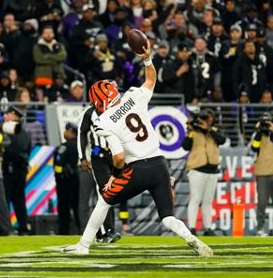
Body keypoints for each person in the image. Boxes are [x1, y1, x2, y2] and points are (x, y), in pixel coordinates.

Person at [62, 40, 213, 257]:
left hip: (137, 168)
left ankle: (83, 245)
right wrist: (147, 58)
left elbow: (119, 157)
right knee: (167, 217)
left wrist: (115, 176)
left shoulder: (103, 121)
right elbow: (151, 79)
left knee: (104, 200)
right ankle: (189, 236)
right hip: (160, 165)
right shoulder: (134, 96)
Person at [77, 103, 122, 242]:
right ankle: (105, 231)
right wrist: (82, 157)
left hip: (115, 154)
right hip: (99, 156)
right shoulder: (90, 112)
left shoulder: (118, 109)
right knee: (105, 192)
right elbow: (81, 133)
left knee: (112, 192)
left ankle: (108, 230)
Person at [183, 109, 226, 236]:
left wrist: (208, 129)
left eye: (210, 118)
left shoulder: (214, 131)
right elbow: (185, 145)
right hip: (197, 169)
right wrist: (191, 130)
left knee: (208, 201)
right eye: (206, 118)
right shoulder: (194, 132)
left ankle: (208, 228)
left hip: (212, 170)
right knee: (196, 199)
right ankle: (192, 228)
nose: (209, 120)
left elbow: (222, 140)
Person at [2, 106, 31, 236]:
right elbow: (27, 151)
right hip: (21, 169)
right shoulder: (25, 133)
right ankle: (23, 227)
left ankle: (6, 228)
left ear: (14, 117)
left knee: (5, 199)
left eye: (8, 114)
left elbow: (7, 150)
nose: (5, 116)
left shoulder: (8, 132)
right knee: (19, 200)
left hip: (9, 169)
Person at [54, 122, 81, 235]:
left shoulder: (65, 146)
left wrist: (59, 176)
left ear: (70, 132)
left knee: (64, 207)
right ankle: (81, 229)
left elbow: (58, 164)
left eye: (66, 130)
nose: (64, 132)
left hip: (65, 181)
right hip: (78, 179)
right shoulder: (80, 145)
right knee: (77, 206)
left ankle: (63, 231)